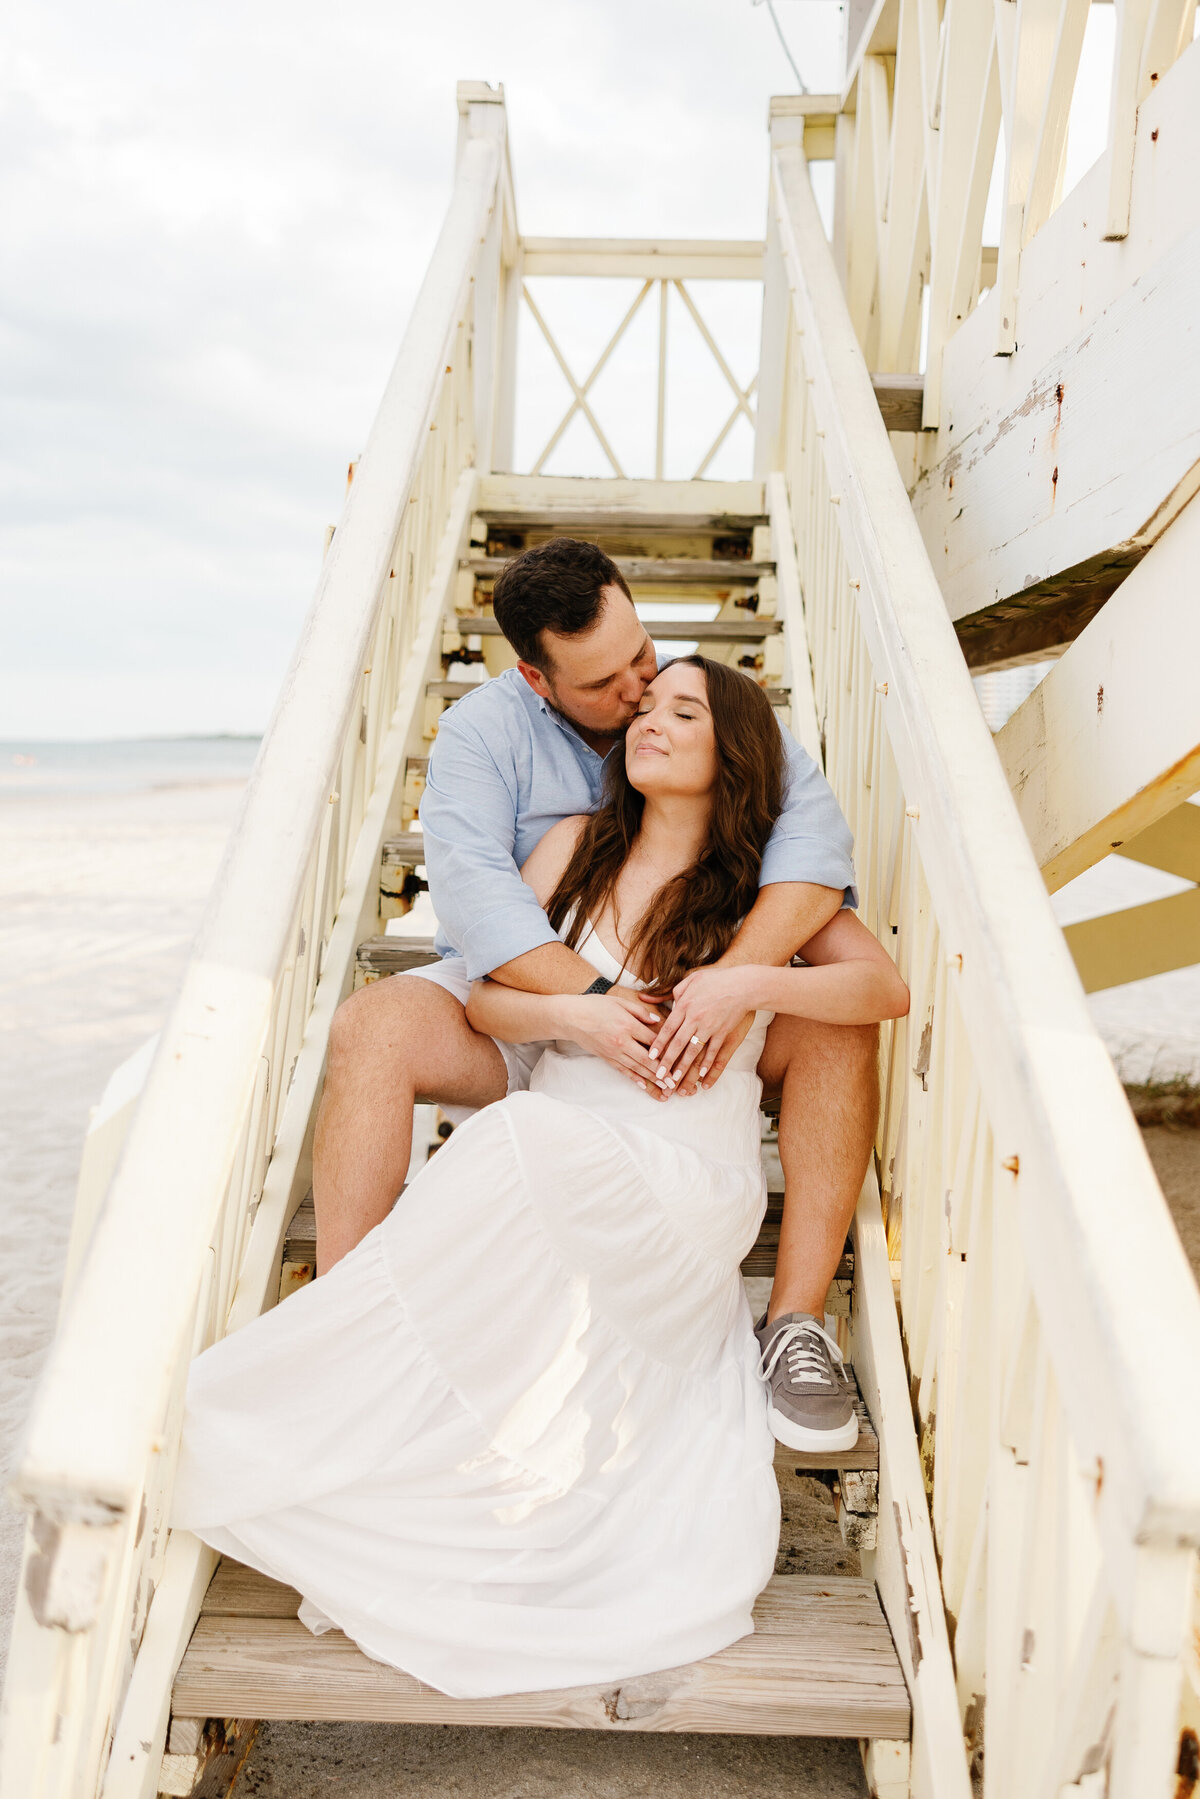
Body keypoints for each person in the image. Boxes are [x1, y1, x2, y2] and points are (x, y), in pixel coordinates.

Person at [171, 656, 908, 1697]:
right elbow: (487, 1004)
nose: (649, 719)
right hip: (558, 1143)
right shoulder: (573, 849)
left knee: (520, 1133)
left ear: (731, 751)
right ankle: (351, 1386)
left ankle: (786, 1326)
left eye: (682, 710)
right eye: (646, 706)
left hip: (685, 1175)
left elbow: (886, 987)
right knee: (520, 1131)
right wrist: (579, 1012)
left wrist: (743, 980)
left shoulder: (769, 891)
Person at [315, 538, 882, 1451]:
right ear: (539, 682)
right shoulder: (480, 738)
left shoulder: (725, 719)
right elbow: (480, 909)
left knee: (835, 1021)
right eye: (607, 684)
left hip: (693, 1019)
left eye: (644, 659)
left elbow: (813, 870)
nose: (636, 696)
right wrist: (595, 1004)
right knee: (371, 1025)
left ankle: (795, 1323)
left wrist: (725, 989)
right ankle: (346, 1316)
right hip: (535, 992)